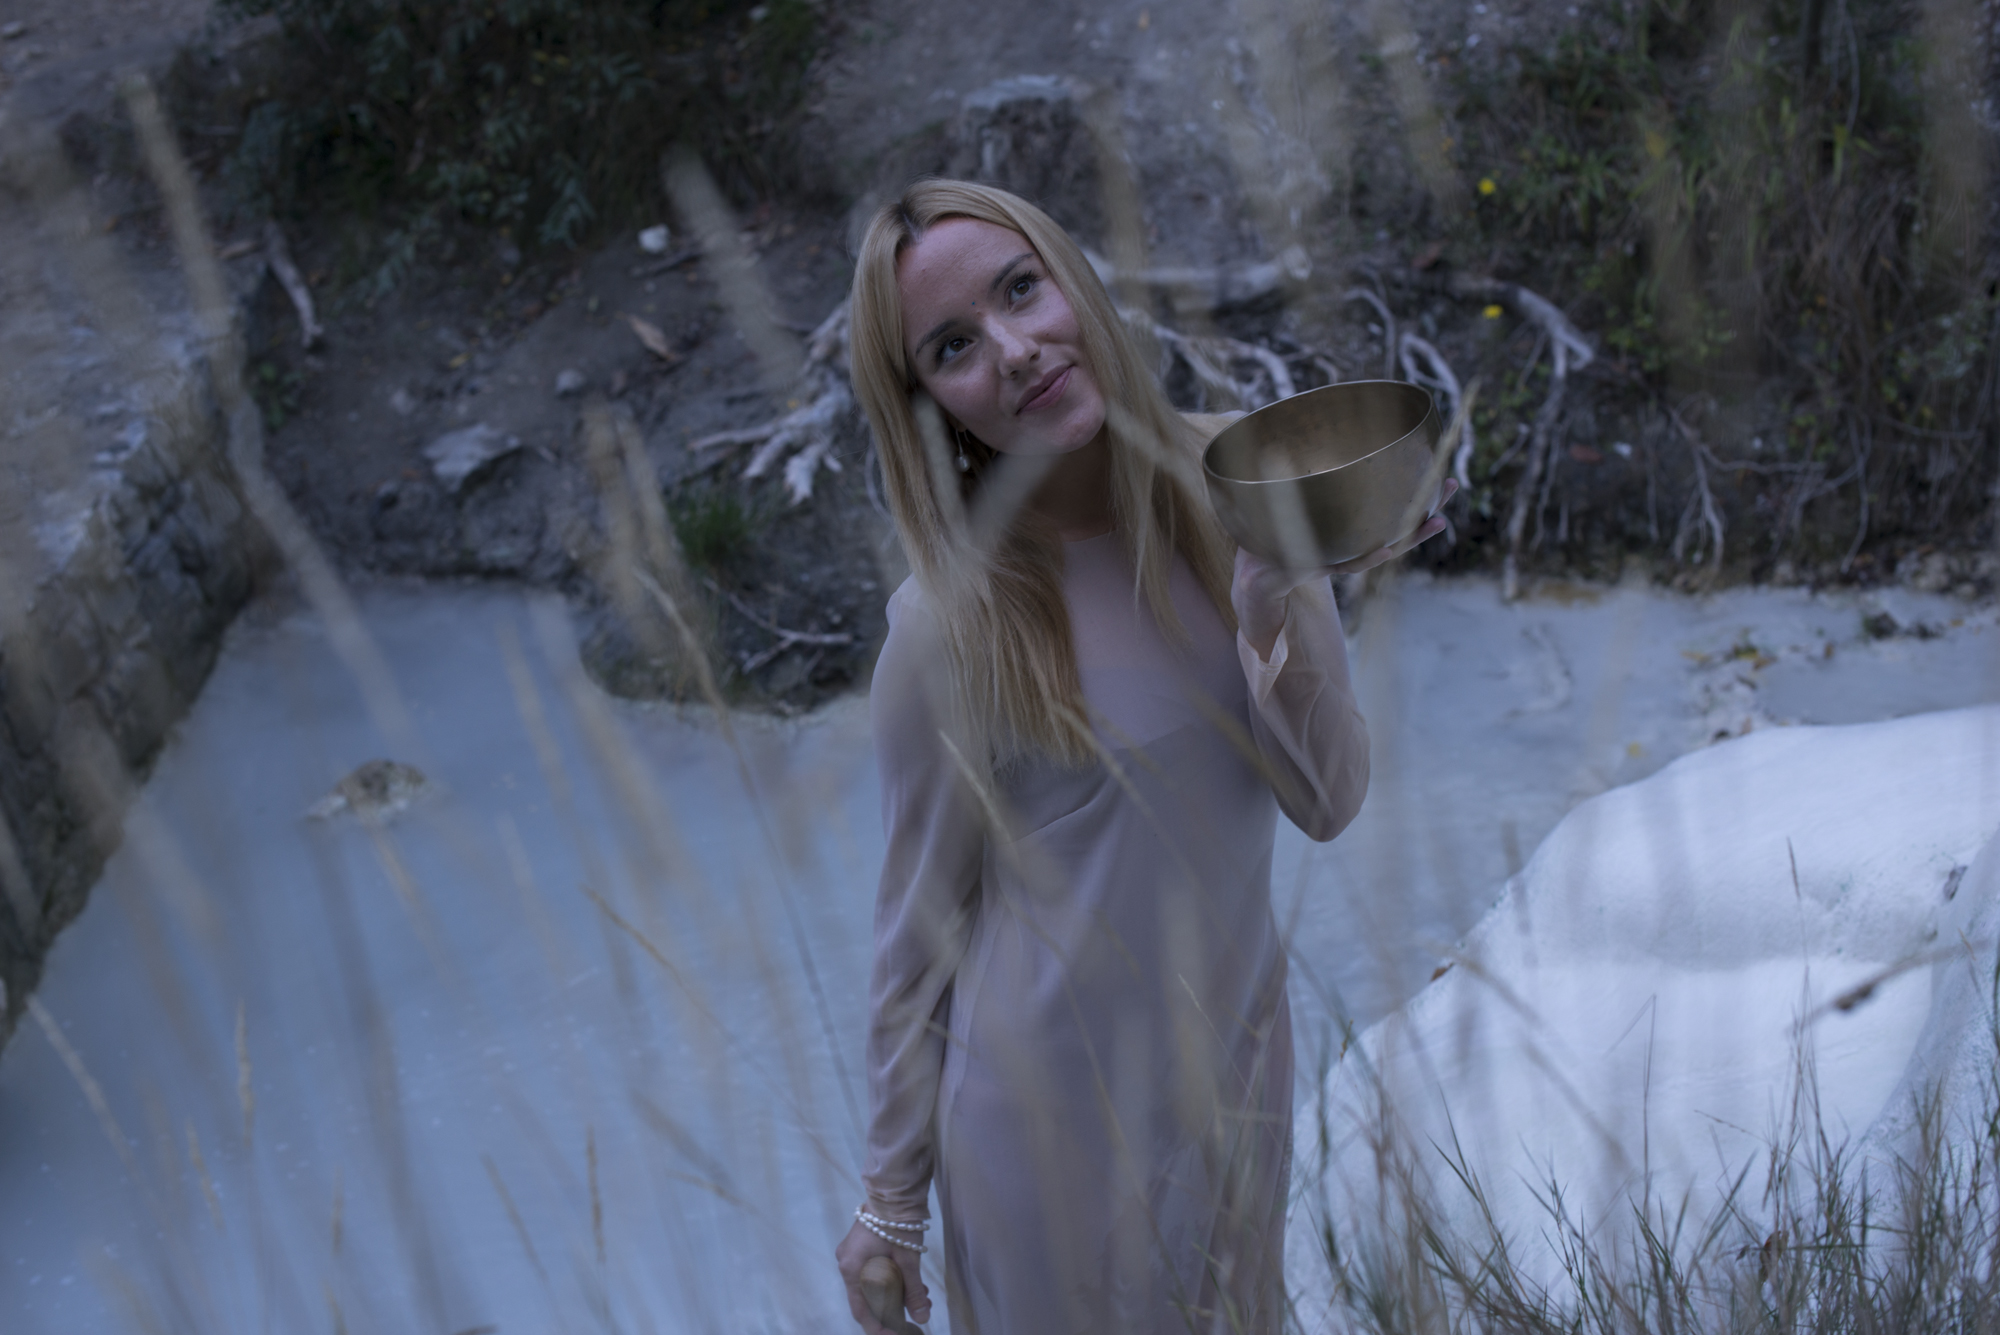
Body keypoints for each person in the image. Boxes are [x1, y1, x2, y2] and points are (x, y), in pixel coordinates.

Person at [832, 179, 1450, 1334]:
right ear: (928, 408)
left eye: (1021, 289)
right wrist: (889, 1203)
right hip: (1037, 1143)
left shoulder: (1248, 486)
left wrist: (1269, 603)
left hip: (1233, 1094)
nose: (1013, 350)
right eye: (953, 347)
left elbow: (1329, 801)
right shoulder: (945, 624)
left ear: (1072, 279)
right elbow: (916, 936)